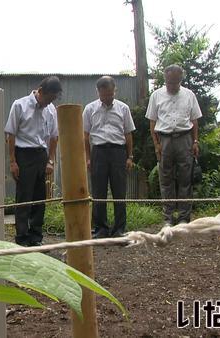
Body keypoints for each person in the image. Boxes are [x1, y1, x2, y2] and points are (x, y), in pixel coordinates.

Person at [4, 76, 62, 246]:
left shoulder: (51, 109)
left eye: (53, 99)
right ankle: (22, 237)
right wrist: (13, 161)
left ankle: (36, 236)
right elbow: (11, 134)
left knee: (39, 198)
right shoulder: (19, 105)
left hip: (41, 155)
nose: (49, 102)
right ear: (41, 91)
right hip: (23, 154)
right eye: (49, 98)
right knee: (24, 197)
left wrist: (51, 161)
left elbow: (54, 137)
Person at [146, 65, 202, 226]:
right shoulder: (156, 96)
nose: (172, 85)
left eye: (175, 82)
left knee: (186, 178)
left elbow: (194, 120)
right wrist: (156, 144)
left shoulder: (189, 95)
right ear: (165, 79)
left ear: (180, 80)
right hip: (164, 139)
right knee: (166, 179)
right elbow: (152, 121)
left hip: (185, 138)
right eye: (169, 82)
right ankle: (168, 217)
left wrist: (195, 141)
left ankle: (184, 217)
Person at [83, 76, 136, 238]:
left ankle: (119, 228)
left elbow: (128, 134)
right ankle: (101, 229)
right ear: (98, 92)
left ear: (115, 91)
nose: (108, 98)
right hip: (98, 152)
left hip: (118, 152)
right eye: (105, 95)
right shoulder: (90, 109)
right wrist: (88, 157)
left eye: (110, 94)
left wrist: (130, 156)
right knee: (98, 192)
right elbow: (85, 136)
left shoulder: (123, 108)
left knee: (119, 191)